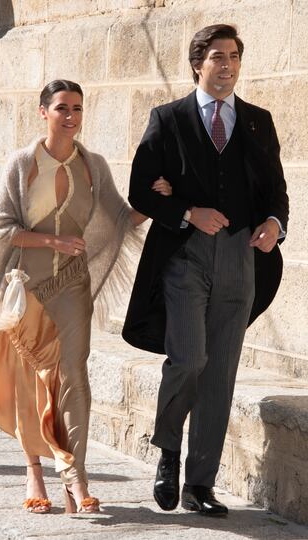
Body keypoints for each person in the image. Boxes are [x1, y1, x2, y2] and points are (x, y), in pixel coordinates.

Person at [0, 79, 171, 514]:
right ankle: (34, 468)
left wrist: (157, 199)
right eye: (61, 108)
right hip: (25, 284)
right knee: (28, 379)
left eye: (76, 108)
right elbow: (1, 230)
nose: (70, 116)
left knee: (74, 375)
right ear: (43, 112)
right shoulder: (22, 164)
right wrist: (50, 243)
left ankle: (76, 476)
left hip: (73, 285)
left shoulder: (93, 165)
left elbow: (119, 219)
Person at [122, 24, 289, 515]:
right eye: (217, 56)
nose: (227, 66)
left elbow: (277, 191)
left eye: (234, 56)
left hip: (241, 258)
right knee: (189, 358)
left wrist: (275, 224)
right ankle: (169, 451)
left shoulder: (259, 122)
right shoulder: (168, 119)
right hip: (185, 257)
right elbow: (140, 190)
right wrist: (188, 212)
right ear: (198, 63)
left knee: (220, 373)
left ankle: (200, 484)